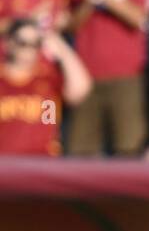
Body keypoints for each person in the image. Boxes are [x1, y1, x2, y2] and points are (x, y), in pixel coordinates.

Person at [65, 0, 149, 157]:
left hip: (126, 73)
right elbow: (72, 25)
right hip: (86, 74)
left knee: (129, 147)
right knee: (81, 149)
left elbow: (139, 17)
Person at [0, 19, 91, 156]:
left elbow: (80, 90)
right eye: (22, 43)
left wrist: (61, 48)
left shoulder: (48, 79)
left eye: (35, 44)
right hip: (5, 167)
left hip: (42, 165)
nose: (29, 49)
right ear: (8, 43)